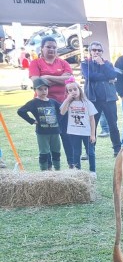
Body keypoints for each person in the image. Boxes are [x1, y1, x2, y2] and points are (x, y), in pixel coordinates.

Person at [28, 36, 74, 167]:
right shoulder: (35, 63)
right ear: (42, 48)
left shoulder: (63, 63)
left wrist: (47, 77)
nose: (51, 49)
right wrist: (60, 78)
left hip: (63, 105)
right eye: (48, 47)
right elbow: (37, 82)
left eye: (54, 47)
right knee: (47, 137)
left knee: (67, 135)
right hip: (44, 107)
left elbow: (70, 79)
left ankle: (72, 164)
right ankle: (48, 167)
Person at [17, 78, 62, 171]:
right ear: (35, 90)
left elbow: (62, 110)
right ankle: (44, 171)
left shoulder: (53, 101)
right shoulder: (33, 102)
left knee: (56, 151)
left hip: (55, 131)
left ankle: (58, 170)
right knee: (44, 152)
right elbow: (20, 111)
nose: (43, 91)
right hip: (42, 133)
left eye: (45, 89)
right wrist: (32, 121)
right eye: (40, 89)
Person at [60, 78, 98, 175]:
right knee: (76, 153)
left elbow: (92, 119)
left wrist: (92, 134)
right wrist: (67, 100)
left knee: (91, 152)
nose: (73, 92)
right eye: (70, 90)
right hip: (73, 132)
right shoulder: (69, 103)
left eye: (75, 89)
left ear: (79, 89)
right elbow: (62, 112)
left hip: (86, 132)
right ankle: (78, 171)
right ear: (67, 92)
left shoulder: (87, 103)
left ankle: (92, 171)